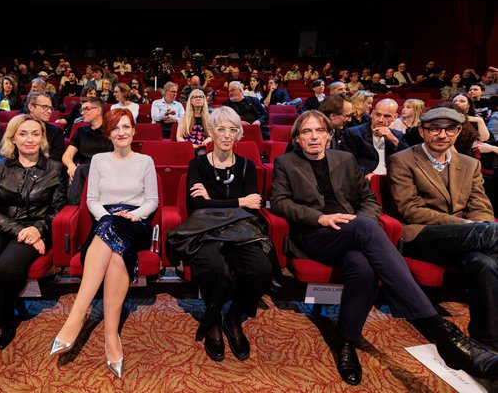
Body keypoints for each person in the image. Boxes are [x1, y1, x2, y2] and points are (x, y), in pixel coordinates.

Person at [271, 110, 498, 385]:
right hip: (315, 235)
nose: (314, 136)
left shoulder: (344, 160)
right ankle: (439, 330)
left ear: (329, 135)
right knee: (367, 230)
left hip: (353, 234)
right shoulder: (286, 162)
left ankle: (346, 340)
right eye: (306, 132)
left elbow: (369, 200)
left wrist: (360, 224)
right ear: (297, 138)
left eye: (319, 130)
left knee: (363, 268)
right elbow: (280, 202)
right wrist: (321, 217)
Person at [51, 109, 158, 380]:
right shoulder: (98, 160)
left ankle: (76, 316)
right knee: (115, 255)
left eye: (126, 127)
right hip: (106, 218)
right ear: (109, 134)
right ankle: (111, 336)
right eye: (115, 128)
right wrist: (107, 218)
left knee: (115, 238)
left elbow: (152, 201)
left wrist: (135, 215)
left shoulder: (146, 161)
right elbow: (93, 200)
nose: (121, 132)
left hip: (136, 221)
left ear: (134, 131)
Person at [388, 107, 498, 351]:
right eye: (434, 129)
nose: (442, 135)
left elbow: (481, 207)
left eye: (450, 130)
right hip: (422, 236)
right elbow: (410, 210)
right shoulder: (402, 160)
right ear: (422, 131)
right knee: (489, 232)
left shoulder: (470, 165)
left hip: (469, 241)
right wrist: (467, 227)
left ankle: (487, 342)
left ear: (458, 132)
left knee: (484, 263)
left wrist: (475, 227)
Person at [0, 115, 65, 351]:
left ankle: (4, 317)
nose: (30, 139)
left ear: (42, 138)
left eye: (35, 134)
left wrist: (38, 229)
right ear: (12, 137)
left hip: (35, 228)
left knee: (6, 269)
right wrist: (22, 230)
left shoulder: (55, 168)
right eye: (23, 134)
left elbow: (57, 209)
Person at [181, 106, 271, 362]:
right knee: (214, 267)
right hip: (207, 232)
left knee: (262, 270)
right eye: (221, 129)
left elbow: (254, 207)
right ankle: (214, 321)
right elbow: (197, 207)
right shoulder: (197, 164)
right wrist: (239, 201)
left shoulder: (247, 166)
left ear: (239, 134)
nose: (227, 134)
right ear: (211, 131)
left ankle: (233, 316)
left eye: (233, 129)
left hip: (241, 232)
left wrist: (214, 201)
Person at [62, 98, 113, 205]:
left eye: (86, 109)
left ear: (98, 110)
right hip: (84, 174)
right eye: (82, 110)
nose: (82, 113)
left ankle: (72, 208)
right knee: (78, 170)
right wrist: (71, 165)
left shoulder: (112, 131)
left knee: (81, 169)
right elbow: (67, 156)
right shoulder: (81, 132)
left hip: (107, 173)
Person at [341, 99, 408, 180]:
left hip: (391, 178)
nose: (380, 120)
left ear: (395, 117)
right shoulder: (354, 133)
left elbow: (407, 158)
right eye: (378, 114)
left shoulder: (397, 135)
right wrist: (365, 174)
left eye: (387, 116)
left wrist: (393, 139)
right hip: (366, 178)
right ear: (372, 114)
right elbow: (347, 161)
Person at [176, 89, 211, 155]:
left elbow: (213, 135)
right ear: (191, 101)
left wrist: (209, 139)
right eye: (195, 97)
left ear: (204, 100)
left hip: (202, 146)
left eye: (200, 97)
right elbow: (179, 137)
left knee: (202, 154)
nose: (198, 99)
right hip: (187, 145)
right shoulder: (184, 117)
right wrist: (190, 145)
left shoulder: (209, 118)